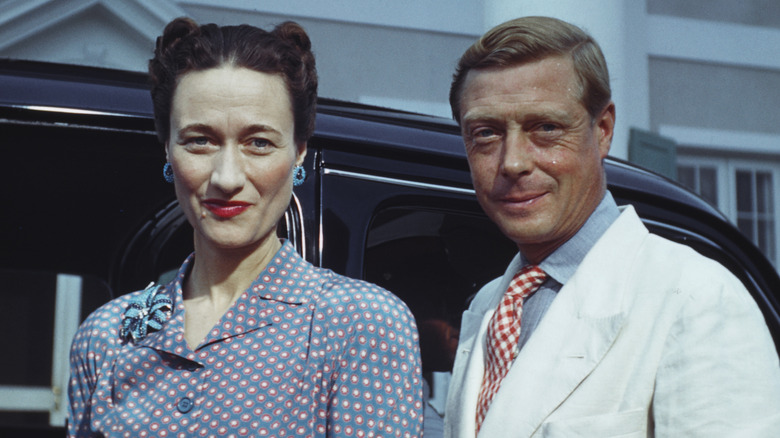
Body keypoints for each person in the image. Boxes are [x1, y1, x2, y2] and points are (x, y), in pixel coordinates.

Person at [68, 17, 423, 437]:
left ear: (299, 153)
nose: (227, 177)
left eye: (259, 143)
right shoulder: (107, 336)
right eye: (200, 140)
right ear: (167, 147)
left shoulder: (358, 324)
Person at [444, 16, 780, 437]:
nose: (513, 162)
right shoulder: (491, 305)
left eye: (545, 128)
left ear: (602, 131)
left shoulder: (697, 297)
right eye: (487, 133)